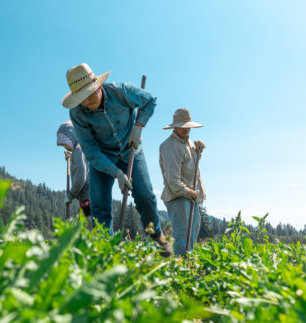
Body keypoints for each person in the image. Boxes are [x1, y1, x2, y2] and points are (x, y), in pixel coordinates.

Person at [62, 62, 172, 256]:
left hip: (131, 149)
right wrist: (117, 173)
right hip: (102, 157)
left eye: (89, 94)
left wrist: (138, 127)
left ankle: (157, 237)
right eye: (81, 99)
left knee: (145, 196)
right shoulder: (77, 114)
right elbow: (91, 151)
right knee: (99, 205)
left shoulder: (121, 91)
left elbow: (150, 101)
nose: (86, 102)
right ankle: (106, 252)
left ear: (99, 86)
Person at [159, 108, 206, 257]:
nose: (186, 129)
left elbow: (191, 166)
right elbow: (172, 179)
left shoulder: (188, 142)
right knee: (183, 237)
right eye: (182, 125)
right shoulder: (170, 146)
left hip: (191, 195)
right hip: (178, 196)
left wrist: (198, 152)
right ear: (175, 127)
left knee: (191, 236)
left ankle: (187, 266)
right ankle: (178, 270)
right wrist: (187, 191)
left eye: (188, 126)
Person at [56, 120, 92, 227]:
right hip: (87, 197)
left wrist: (71, 194)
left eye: (66, 143)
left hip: (89, 197)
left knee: (89, 226)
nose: (66, 147)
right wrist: (71, 158)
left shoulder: (79, 150)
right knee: (89, 225)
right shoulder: (81, 149)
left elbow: (81, 176)